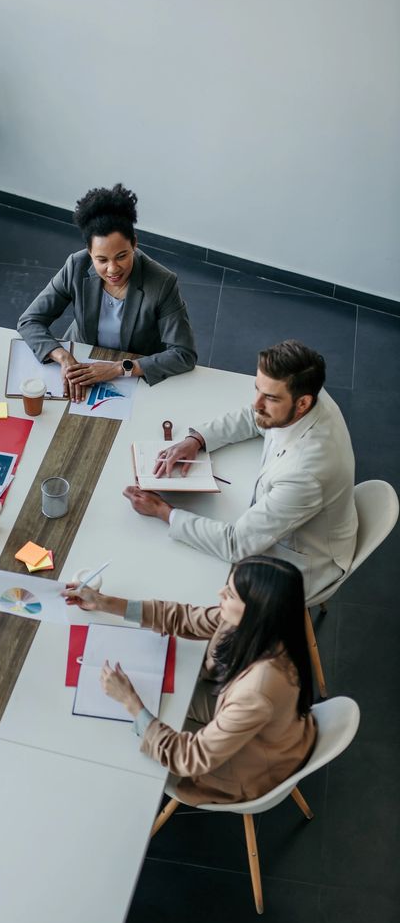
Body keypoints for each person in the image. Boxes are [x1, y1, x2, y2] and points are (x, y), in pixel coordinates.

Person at [65, 556, 317, 805]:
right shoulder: (269, 627)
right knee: (162, 700)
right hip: (253, 722)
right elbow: (183, 617)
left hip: (248, 769)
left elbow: (191, 757)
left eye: (230, 594)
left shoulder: (258, 691)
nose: (220, 593)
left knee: (121, 744)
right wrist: (103, 602)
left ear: (254, 611)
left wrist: (131, 702)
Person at [125, 339, 357, 597]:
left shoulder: (307, 473)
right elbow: (253, 417)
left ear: (302, 403)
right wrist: (197, 439)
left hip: (300, 562)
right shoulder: (308, 394)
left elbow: (236, 544)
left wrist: (162, 511)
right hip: (281, 517)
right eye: (257, 389)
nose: (257, 403)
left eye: (269, 398)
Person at [17, 184, 196, 398]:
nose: (112, 269)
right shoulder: (76, 265)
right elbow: (30, 321)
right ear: (89, 252)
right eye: (101, 259)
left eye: (121, 256)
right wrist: (63, 357)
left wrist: (119, 368)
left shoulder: (162, 282)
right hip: (81, 360)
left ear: (135, 244)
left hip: (132, 371)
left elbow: (184, 354)